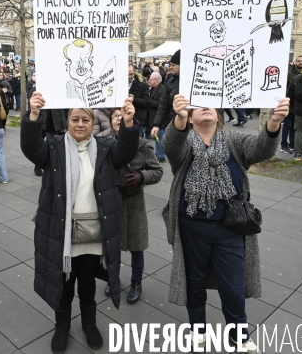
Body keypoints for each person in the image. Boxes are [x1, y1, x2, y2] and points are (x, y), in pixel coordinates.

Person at [162, 93, 290, 352]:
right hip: (191, 226)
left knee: (234, 284)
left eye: (209, 104)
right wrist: (179, 118)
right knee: (193, 281)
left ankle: (238, 333)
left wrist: (274, 122)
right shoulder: (184, 140)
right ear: (190, 114)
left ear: (218, 113)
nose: (204, 108)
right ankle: (198, 327)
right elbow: (171, 145)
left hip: (230, 228)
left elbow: (262, 149)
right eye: (196, 106)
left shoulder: (234, 140)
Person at [20, 91, 139, 353]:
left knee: (86, 283)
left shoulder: (106, 150)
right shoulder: (53, 148)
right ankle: (61, 326)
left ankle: (89, 324)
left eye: (85, 120)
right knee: (63, 285)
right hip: (62, 234)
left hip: (94, 233)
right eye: (75, 119)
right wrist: (33, 115)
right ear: (68, 123)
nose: (80, 124)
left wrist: (129, 124)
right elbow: (30, 148)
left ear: (92, 124)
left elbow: (126, 152)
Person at [103, 107, 163, 303]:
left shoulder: (143, 145)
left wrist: (142, 176)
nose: (118, 119)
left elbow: (157, 171)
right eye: (115, 116)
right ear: (111, 121)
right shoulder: (104, 144)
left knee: (137, 247)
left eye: (122, 115)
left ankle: (136, 282)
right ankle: (112, 279)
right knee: (112, 245)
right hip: (112, 201)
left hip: (134, 202)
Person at [152, 50, 180, 139]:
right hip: (173, 125)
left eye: (173, 65)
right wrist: (156, 124)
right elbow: (163, 105)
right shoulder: (171, 81)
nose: (170, 67)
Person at [147, 72, 168, 162]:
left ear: (156, 80)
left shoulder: (162, 89)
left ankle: (160, 155)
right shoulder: (153, 89)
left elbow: (161, 104)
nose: (149, 81)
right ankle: (159, 153)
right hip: (154, 117)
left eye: (151, 79)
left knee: (159, 138)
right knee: (157, 137)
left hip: (160, 119)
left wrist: (149, 100)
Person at [128, 64, 150, 137]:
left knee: (138, 144)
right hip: (123, 118)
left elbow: (146, 102)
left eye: (131, 74)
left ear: (134, 72)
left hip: (137, 119)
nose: (129, 76)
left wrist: (134, 100)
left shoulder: (142, 85)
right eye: (127, 74)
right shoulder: (119, 84)